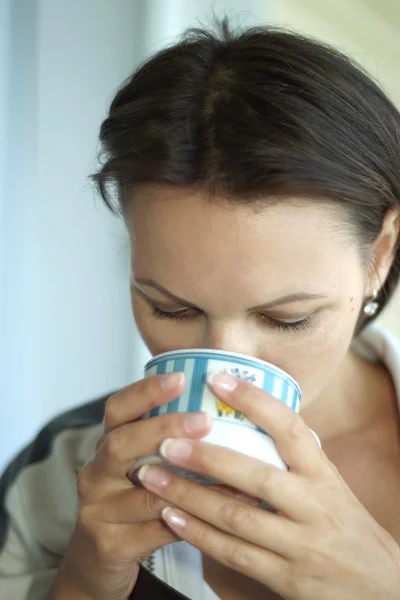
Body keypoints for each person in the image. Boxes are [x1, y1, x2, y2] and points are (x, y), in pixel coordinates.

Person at [1, 16, 400, 600]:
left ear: (381, 254)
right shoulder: (59, 476)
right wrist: (83, 582)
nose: (221, 364)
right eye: (168, 308)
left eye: (286, 318)